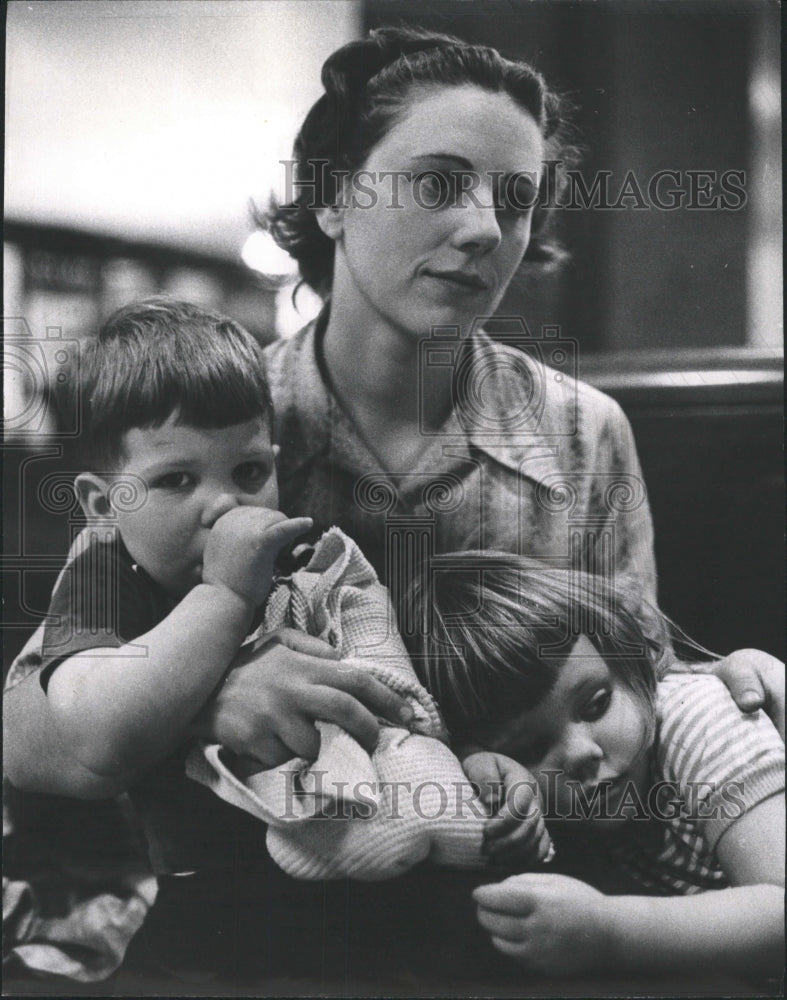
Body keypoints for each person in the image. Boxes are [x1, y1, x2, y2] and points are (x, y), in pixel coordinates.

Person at [4, 24, 783, 989]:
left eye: (514, 200)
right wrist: (208, 699)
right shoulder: (206, 433)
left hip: (513, 911)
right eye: (438, 182)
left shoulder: (584, 430)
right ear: (332, 196)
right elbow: (32, 741)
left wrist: (724, 674)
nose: (484, 230)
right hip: (254, 914)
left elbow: (638, 703)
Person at [403, 551, 784, 982]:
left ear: (632, 663)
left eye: (597, 704)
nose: (580, 752)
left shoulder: (699, 721)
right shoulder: (569, 795)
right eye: (530, 747)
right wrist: (477, 766)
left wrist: (609, 930)